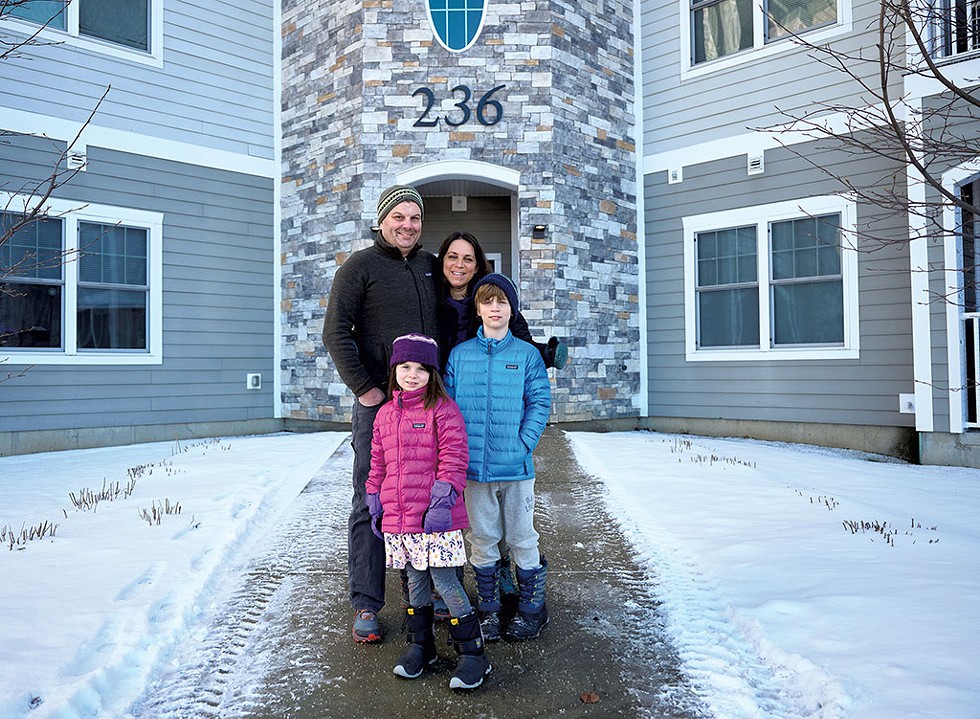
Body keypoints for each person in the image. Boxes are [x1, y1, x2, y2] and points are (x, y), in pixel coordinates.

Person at [322, 185, 439, 644]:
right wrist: (367, 391)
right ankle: (367, 602)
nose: (407, 225)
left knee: (423, 494)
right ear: (382, 220)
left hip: (428, 404)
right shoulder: (359, 267)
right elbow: (336, 333)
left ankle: (420, 585)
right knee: (371, 498)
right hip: (380, 407)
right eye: (399, 217)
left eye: (415, 218)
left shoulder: (431, 267)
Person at [366, 334, 491, 690]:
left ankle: (474, 655)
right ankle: (423, 648)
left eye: (421, 368)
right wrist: (374, 496)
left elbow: (454, 457)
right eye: (405, 367)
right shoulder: (386, 414)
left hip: (436, 517)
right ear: (395, 370)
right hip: (400, 517)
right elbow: (378, 461)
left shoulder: (443, 408)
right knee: (413, 580)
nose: (412, 374)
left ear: (432, 373)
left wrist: (442, 500)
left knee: (445, 580)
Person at [444, 273, 552, 642]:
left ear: (511, 309)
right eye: (487, 301)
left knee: (522, 537)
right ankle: (489, 610)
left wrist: (524, 442)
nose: (494, 307)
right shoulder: (461, 356)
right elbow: (450, 409)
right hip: (474, 469)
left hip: (516, 467)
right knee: (483, 538)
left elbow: (539, 401)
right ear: (477, 309)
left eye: (502, 302)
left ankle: (532, 608)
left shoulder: (526, 355)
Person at [436, 230, 568, 372]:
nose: (459, 264)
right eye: (452, 257)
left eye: (468, 259)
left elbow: (522, 345)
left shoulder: (491, 303)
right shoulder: (430, 300)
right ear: (442, 260)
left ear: (476, 267)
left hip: (480, 384)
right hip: (433, 385)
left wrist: (547, 354)